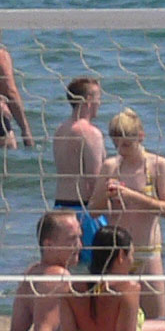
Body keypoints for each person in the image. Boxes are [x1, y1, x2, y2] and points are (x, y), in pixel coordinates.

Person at [97, 109, 165, 320]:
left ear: (140, 136)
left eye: (126, 145)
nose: (121, 151)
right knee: (114, 319)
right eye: (116, 145)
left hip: (147, 250)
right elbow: (94, 210)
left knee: (155, 319)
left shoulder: (159, 165)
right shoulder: (110, 167)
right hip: (116, 253)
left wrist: (130, 195)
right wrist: (106, 194)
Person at [0, 211, 82, 331]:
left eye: (79, 237)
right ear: (49, 245)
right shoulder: (59, 277)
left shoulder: (31, 273)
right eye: (72, 239)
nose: (79, 245)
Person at [51, 77, 109, 236]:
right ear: (89, 100)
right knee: (97, 260)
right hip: (83, 210)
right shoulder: (90, 133)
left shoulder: (60, 130)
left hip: (60, 208)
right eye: (99, 99)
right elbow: (94, 180)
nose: (100, 104)